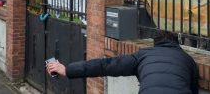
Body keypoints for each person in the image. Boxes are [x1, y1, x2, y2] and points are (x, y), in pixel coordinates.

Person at [46, 30, 199, 94]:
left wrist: (68, 70)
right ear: (176, 43)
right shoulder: (187, 60)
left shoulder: (143, 55)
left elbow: (105, 66)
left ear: (155, 44)